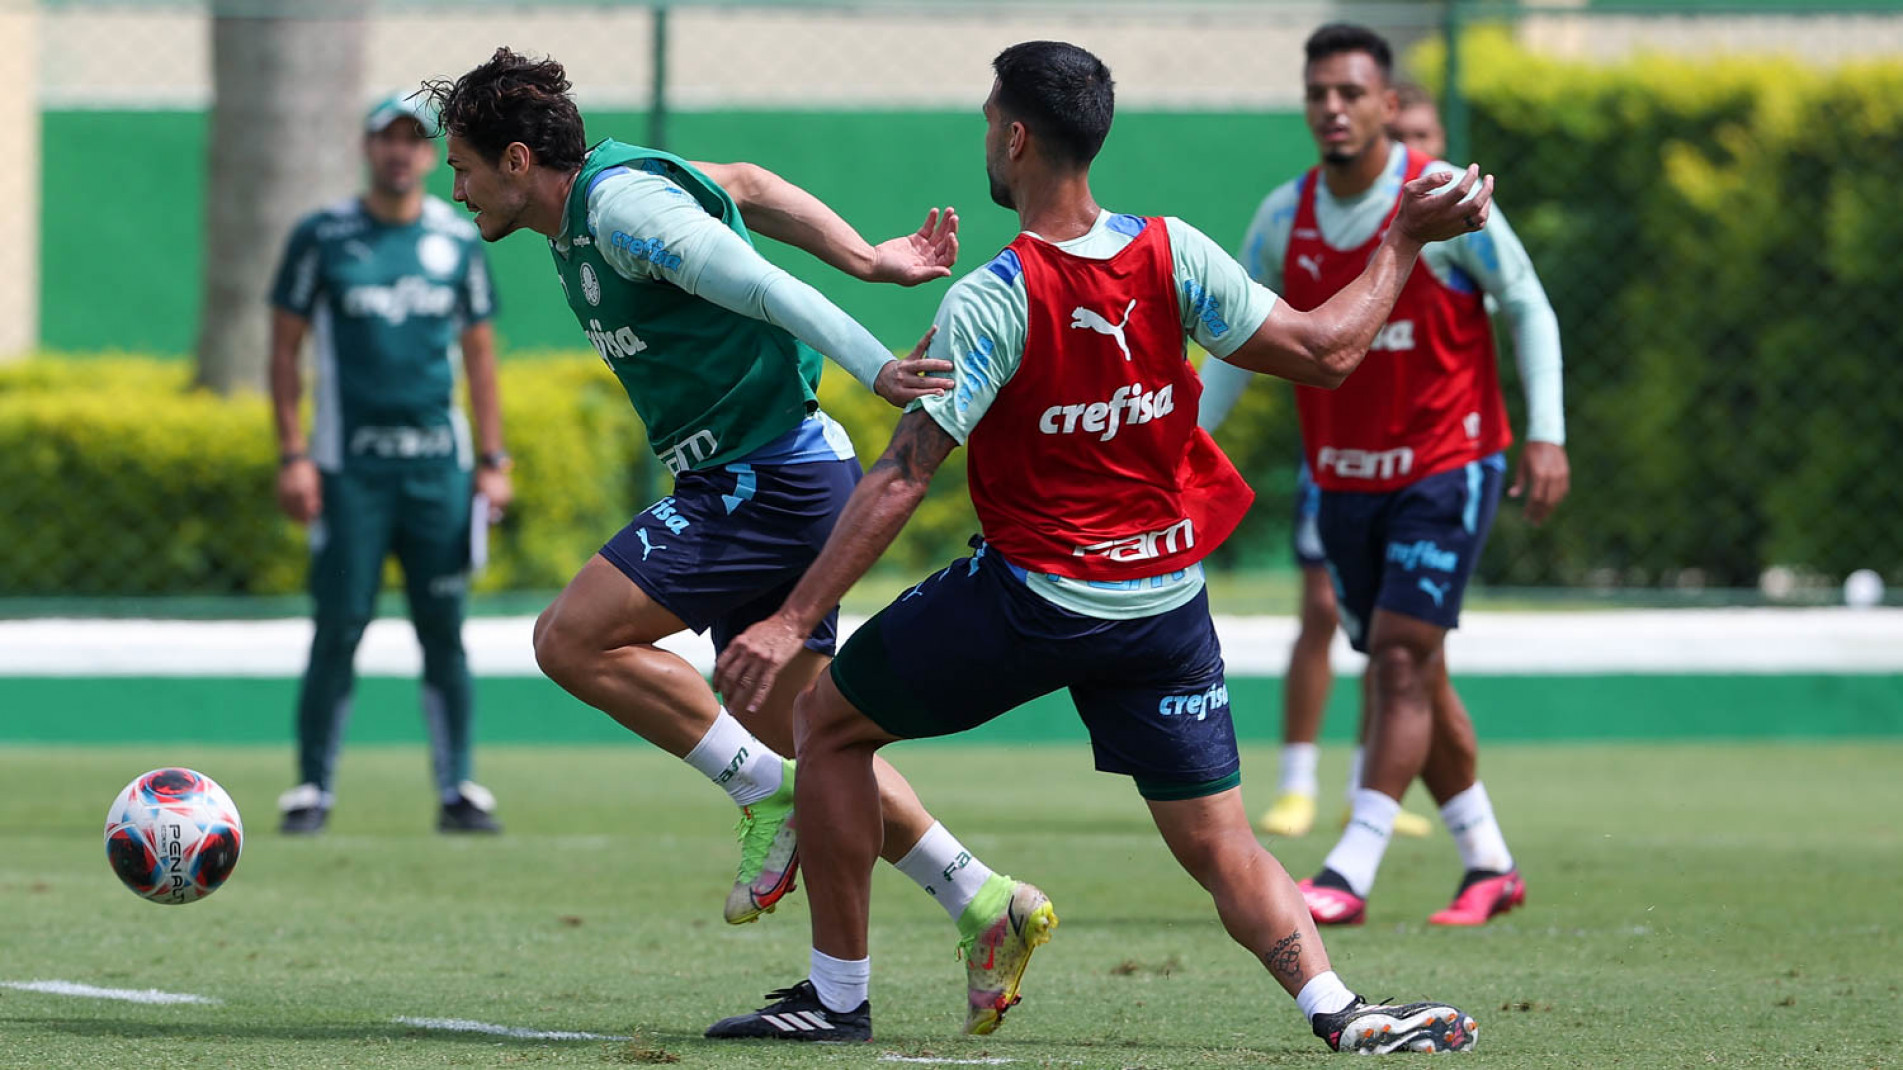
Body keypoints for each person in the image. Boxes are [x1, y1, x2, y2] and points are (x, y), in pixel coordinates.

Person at [704, 40, 1488, 1052]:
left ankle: (835, 996)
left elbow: (903, 472)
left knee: (829, 721)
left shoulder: (996, 295)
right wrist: (1402, 242)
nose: (986, 136)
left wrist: (789, 618)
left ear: (1018, 136)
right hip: (1163, 607)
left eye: (991, 120)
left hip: (1036, 598)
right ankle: (1337, 1010)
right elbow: (1328, 352)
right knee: (1219, 839)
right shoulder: (1176, 251)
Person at [422, 50, 1056, 1024]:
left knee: (571, 637)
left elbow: (755, 284)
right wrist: (871, 258)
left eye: (462, 167)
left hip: (769, 483)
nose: (455, 189)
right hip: (774, 476)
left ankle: (766, 797)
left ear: (515, 159)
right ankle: (976, 900)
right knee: (809, 731)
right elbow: (750, 187)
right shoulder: (597, 201)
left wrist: (873, 359)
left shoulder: (623, 210)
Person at [1201, 23, 1570, 928]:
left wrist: (1545, 433)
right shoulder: (1283, 218)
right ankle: (1488, 860)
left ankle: (1350, 864)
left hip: (1450, 463)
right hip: (1344, 481)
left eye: (1351, 93)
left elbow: (1524, 299)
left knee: (1399, 657)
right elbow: (1239, 345)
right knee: (1414, 664)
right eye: (1317, 93)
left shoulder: (1439, 200)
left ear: (1389, 105)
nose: (1332, 108)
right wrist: (1176, 442)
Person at [269, 93, 511, 836]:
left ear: (430, 152)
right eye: (388, 139)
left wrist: (494, 459)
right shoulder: (322, 237)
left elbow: (479, 358)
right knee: (338, 624)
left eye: (414, 139)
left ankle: (457, 787)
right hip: (349, 473)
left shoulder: (455, 240)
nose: (400, 152)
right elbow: (283, 352)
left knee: (443, 626)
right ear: (367, 147)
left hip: (438, 470)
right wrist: (294, 455)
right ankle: (312, 788)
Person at [1390, 81, 1447, 159]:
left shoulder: (1460, 171)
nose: (1412, 147)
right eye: (1397, 137)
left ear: (1441, 137)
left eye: (1421, 136)